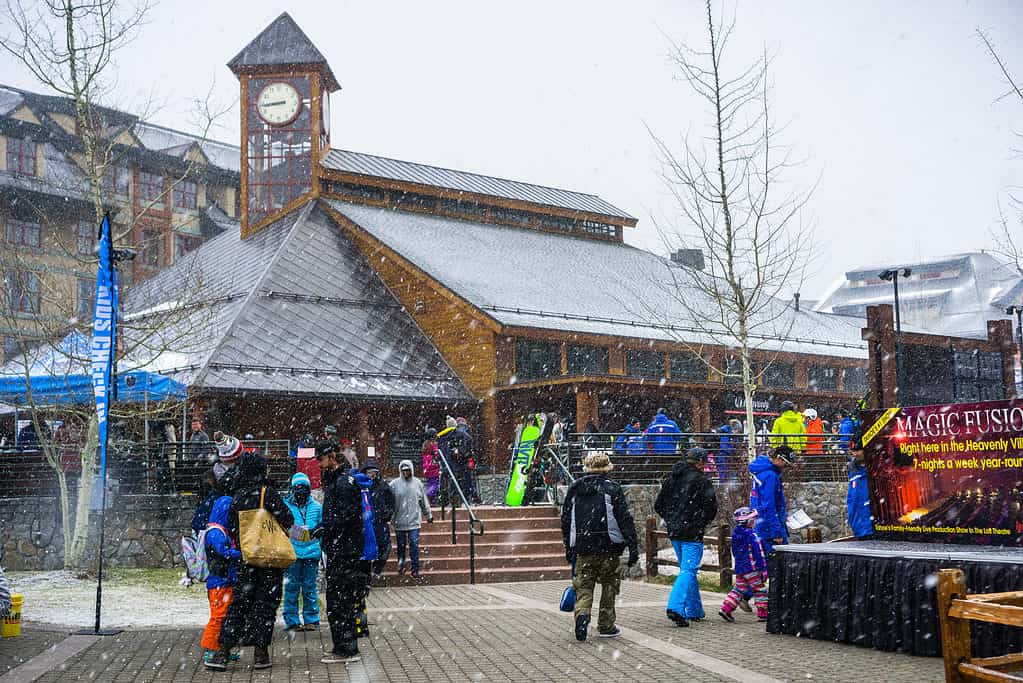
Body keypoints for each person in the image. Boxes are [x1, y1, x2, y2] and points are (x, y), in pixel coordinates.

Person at [207, 451, 294, 671]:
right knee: (265, 607)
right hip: (269, 560)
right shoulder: (267, 493)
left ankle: (222, 652)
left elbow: (233, 528)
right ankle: (261, 654)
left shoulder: (237, 496)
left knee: (239, 606)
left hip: (247, 560)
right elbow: (287, 518)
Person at [560, 451, 639, 642]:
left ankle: (582, 616)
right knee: (609, 586)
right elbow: (624, 518)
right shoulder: (612, 488)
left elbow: (566, 520)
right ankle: (606, 625)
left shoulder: (575, 488)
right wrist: (632, 545)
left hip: (583, 547)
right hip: (609, 548)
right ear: (607, 468)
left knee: (584, 587)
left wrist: (569, 548)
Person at [313, 440, 367, 664]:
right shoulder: (339, 480)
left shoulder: (343, 482)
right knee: (339, 600)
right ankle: (343, 646)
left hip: (344, 550)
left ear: (331, 457)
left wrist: (327, 528)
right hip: (341, 548)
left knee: (339, 601)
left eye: (321, 460)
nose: (319, 465)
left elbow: (346, 517)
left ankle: (346, 648)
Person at [654, 447, 718, 627]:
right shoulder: (701, 481)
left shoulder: (671, 479)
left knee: (687, 570)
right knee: (689, 570)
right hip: (692, 531)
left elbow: (658, 505)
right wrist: (700, 520)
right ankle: (675, 606)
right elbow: (711, 507)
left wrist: (672, 518)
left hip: (675, 531)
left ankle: (694, 609)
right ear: (700, 462)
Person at [201, 496, 241, 665]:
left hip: (223, 581)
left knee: (224, 616)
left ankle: (220, 648)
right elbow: (222, 552)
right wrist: (241, 555)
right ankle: (210, 649)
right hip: (219, 582)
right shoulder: (216, 532)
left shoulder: (217, 530)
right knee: (218, 617)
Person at [282, 473, 322, 632]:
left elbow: (321, 528)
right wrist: (304, 534)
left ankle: (311, 619)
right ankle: (292, 621)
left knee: (309, 588)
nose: (300, 491)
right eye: (297, 488)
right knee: (291, 588)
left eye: (304, 488)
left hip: (312, 554)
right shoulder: (285, 507)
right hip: (293, 554)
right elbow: (284, 528)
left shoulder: (317, 507)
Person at [719, 507, 768, 623]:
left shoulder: (736, 534)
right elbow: (758, 553)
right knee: (760, 589)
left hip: (741, 568)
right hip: (752, 568)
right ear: (748, 521)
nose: (755, 522)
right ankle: (763, 612)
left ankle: (726, 609)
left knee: (739, 589)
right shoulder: (752, 535)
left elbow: (735, 552)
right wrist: (762, 568)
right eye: (753, 520)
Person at [389, 459, 433, 578]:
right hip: (400, 520)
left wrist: (428, 515)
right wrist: (390, 516)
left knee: (414, 544)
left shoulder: (417, 483)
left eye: (407, 470)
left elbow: (423, 501)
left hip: (414, 520)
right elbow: (389, 502)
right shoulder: (394, 484)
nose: (405, 473)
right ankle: (401, 565)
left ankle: (415, 569)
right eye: (403, 471)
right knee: (401, 545)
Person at [749, 445, 794, 556]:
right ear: (779, 458)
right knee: (779, 563)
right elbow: (769, 505)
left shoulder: (761, 471)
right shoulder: (770, 476)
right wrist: (776, 532)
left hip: (760, 521)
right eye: (786, 463)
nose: (786, 467)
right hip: (768, 528)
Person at [362, 459, 395, 579]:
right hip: (366, 523)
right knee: (366, 547)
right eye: (369, 472)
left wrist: (387, 514)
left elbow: (391, 501)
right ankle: (366, 573)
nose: (372, 475)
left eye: (373, 472)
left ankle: (377, 568)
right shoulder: (361, 486)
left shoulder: (383, 486)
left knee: (384, 546)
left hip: (380, 521)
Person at [438, 416, 476, 505]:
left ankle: (447, 500)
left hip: (448, 464)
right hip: (459, 464)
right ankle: (462, 500)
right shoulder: (461, 435)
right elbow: (468, 445)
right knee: (462, 483)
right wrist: (462, 454)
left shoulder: (442, 437)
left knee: (450, 482)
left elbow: (441, 451)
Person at [847, 436, 875, 540]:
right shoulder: (853, 470)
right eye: (853, 451)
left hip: (872, 529)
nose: (854, 454)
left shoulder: (875, 471)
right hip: (859, 529)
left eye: (858, 450)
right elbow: (852, 500)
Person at [420, 429, 442, 503]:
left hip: (427, 467)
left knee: (430, 484)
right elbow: (437, 455)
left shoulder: (425, 444)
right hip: (433, 467)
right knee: (435, 484)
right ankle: (426, 496)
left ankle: (430, 500)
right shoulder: (433, 444)